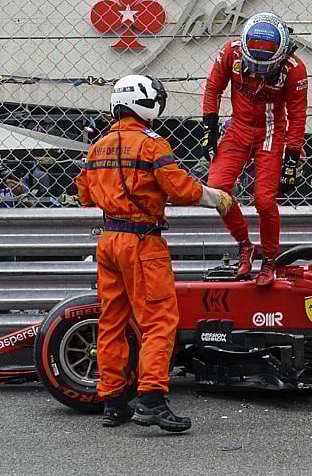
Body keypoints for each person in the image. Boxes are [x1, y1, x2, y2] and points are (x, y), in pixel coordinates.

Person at [76, 74, 235, 432]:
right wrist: (216, 197)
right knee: (159, 321)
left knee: (112, 321)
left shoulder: (97, 146)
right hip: (142, 242)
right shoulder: (152, 143)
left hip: (108, 241)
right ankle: (151, 400)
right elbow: (179, 188)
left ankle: (114, 402)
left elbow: (84, 194)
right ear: (144, 103)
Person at [202, 11, 308, 285]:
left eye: (266, 66)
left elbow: (297, 115)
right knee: (217, 188)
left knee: (264, 200)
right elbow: (213, 88)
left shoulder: (295, 68)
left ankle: (270, 260)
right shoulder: (230, 51)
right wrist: (209, 129)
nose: (259, 71)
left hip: (271, 133)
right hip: (237, 128)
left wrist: (292, 158)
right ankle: (245, 245)